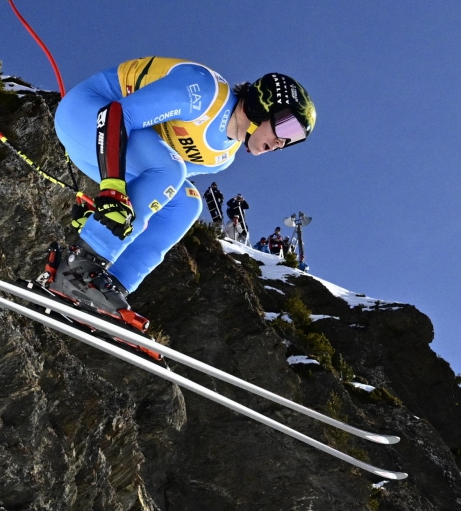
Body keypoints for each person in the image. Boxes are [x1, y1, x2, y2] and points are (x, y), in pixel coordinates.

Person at [46, 58, 315, 317]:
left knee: (186, 202)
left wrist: (102, 212)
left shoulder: (221, 157)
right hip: (87, 113)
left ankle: (110, 285)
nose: (283, 143)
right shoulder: (205, 92)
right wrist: (112, 189)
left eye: (293, 139)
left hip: (105, 148)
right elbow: (118, 114)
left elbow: (154, 181)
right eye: (287, 127)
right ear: (262, 105)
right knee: (172, 169)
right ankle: (79, 268)